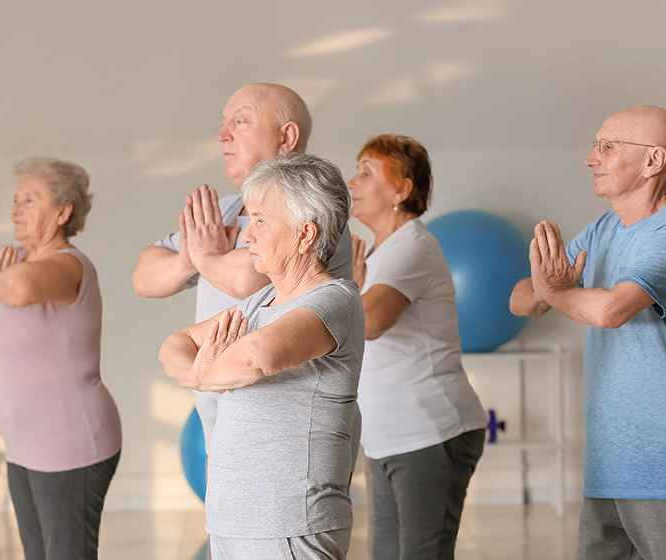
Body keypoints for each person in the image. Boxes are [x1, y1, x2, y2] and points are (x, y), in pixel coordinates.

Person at [510, 106, 666, 560]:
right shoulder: (603, 229)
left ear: (653, 161)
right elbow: (522, 299)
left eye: (607, 146)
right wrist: (551, 287)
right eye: (595, 144)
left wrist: (556, 290)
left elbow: (610, 311)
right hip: (608, 469)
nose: (591, 157)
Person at [159, 153, 364, 560]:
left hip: (290, 525)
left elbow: (256, 358)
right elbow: (175, 344)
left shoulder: (334, 300)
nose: (247, 236)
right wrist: (202, 369)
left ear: (305, 235)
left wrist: (199, 375)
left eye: (260, 222)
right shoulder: (257, 303)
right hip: (232, 520)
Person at [132, 82, 355, 454]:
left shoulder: (315, 212)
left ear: (287, 136)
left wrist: (202, 256)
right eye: (224, 124)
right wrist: (195, 257)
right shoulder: (220, 212)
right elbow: (144, 278)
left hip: (287, 434)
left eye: (240, 121)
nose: (222, 135)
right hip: (222, 421)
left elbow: (246, 278)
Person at [0, 157, 121, 560]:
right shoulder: (12, 260)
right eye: (15, 200)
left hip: (71, 443)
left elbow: (17, 290)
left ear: (62, 212)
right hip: (23, 446)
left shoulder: (68, 265)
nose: (15, 209)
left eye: (29, 200)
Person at [347, 134, 487, 560]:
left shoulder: (414, 247)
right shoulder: (376, 254)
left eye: (366, 172)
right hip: (387, 437)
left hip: (431, 430)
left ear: (401, 190)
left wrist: (347, 288)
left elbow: (369, 322)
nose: (352, 181)